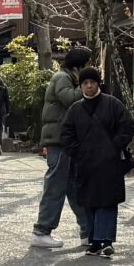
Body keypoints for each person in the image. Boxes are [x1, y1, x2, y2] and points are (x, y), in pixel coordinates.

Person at [60, 66, 134, 257]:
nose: (89, 86)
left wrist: (114, 146)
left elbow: (127, 125)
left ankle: (107, 241)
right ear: (81, 86)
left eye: (92, 82)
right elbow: (66, 134)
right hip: (85, 164)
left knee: (108, 202)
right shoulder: (75, 109)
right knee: (89, 203)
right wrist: (77, 152)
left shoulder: (113, 104)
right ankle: (94, 241)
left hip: (109, 163)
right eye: (85, 83)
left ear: (98, 83)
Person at [30, 48, 85, 248]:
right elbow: (70, 99)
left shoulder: (65, 77)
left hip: (64, 140)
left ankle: (87, 229)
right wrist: (86, 87)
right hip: (58, 140)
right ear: (77, 67)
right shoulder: (62, 78)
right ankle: (42, 230)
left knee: (73, 185)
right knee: (56, 185)